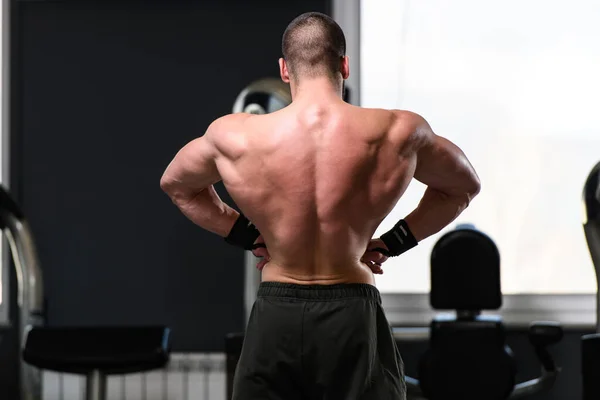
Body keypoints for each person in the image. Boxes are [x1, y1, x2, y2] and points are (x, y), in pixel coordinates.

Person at [160, 11, 480, 400]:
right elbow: (463, 186)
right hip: (352, 311)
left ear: (284, 69)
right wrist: (394, 241)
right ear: (344, 64)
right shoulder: (397, 131)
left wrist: (245, 234)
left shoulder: (235, 136)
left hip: (277, 312)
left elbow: (177, 185)